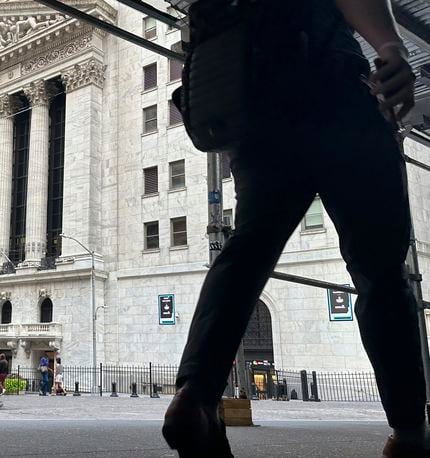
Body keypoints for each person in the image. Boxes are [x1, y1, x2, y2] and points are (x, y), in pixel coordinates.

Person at [162, 1, 422, 457]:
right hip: (333, 90)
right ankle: (409, 433)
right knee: (380, 271)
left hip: (255, 108)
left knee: (247, 251)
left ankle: (196, 394)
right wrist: (389, 45)